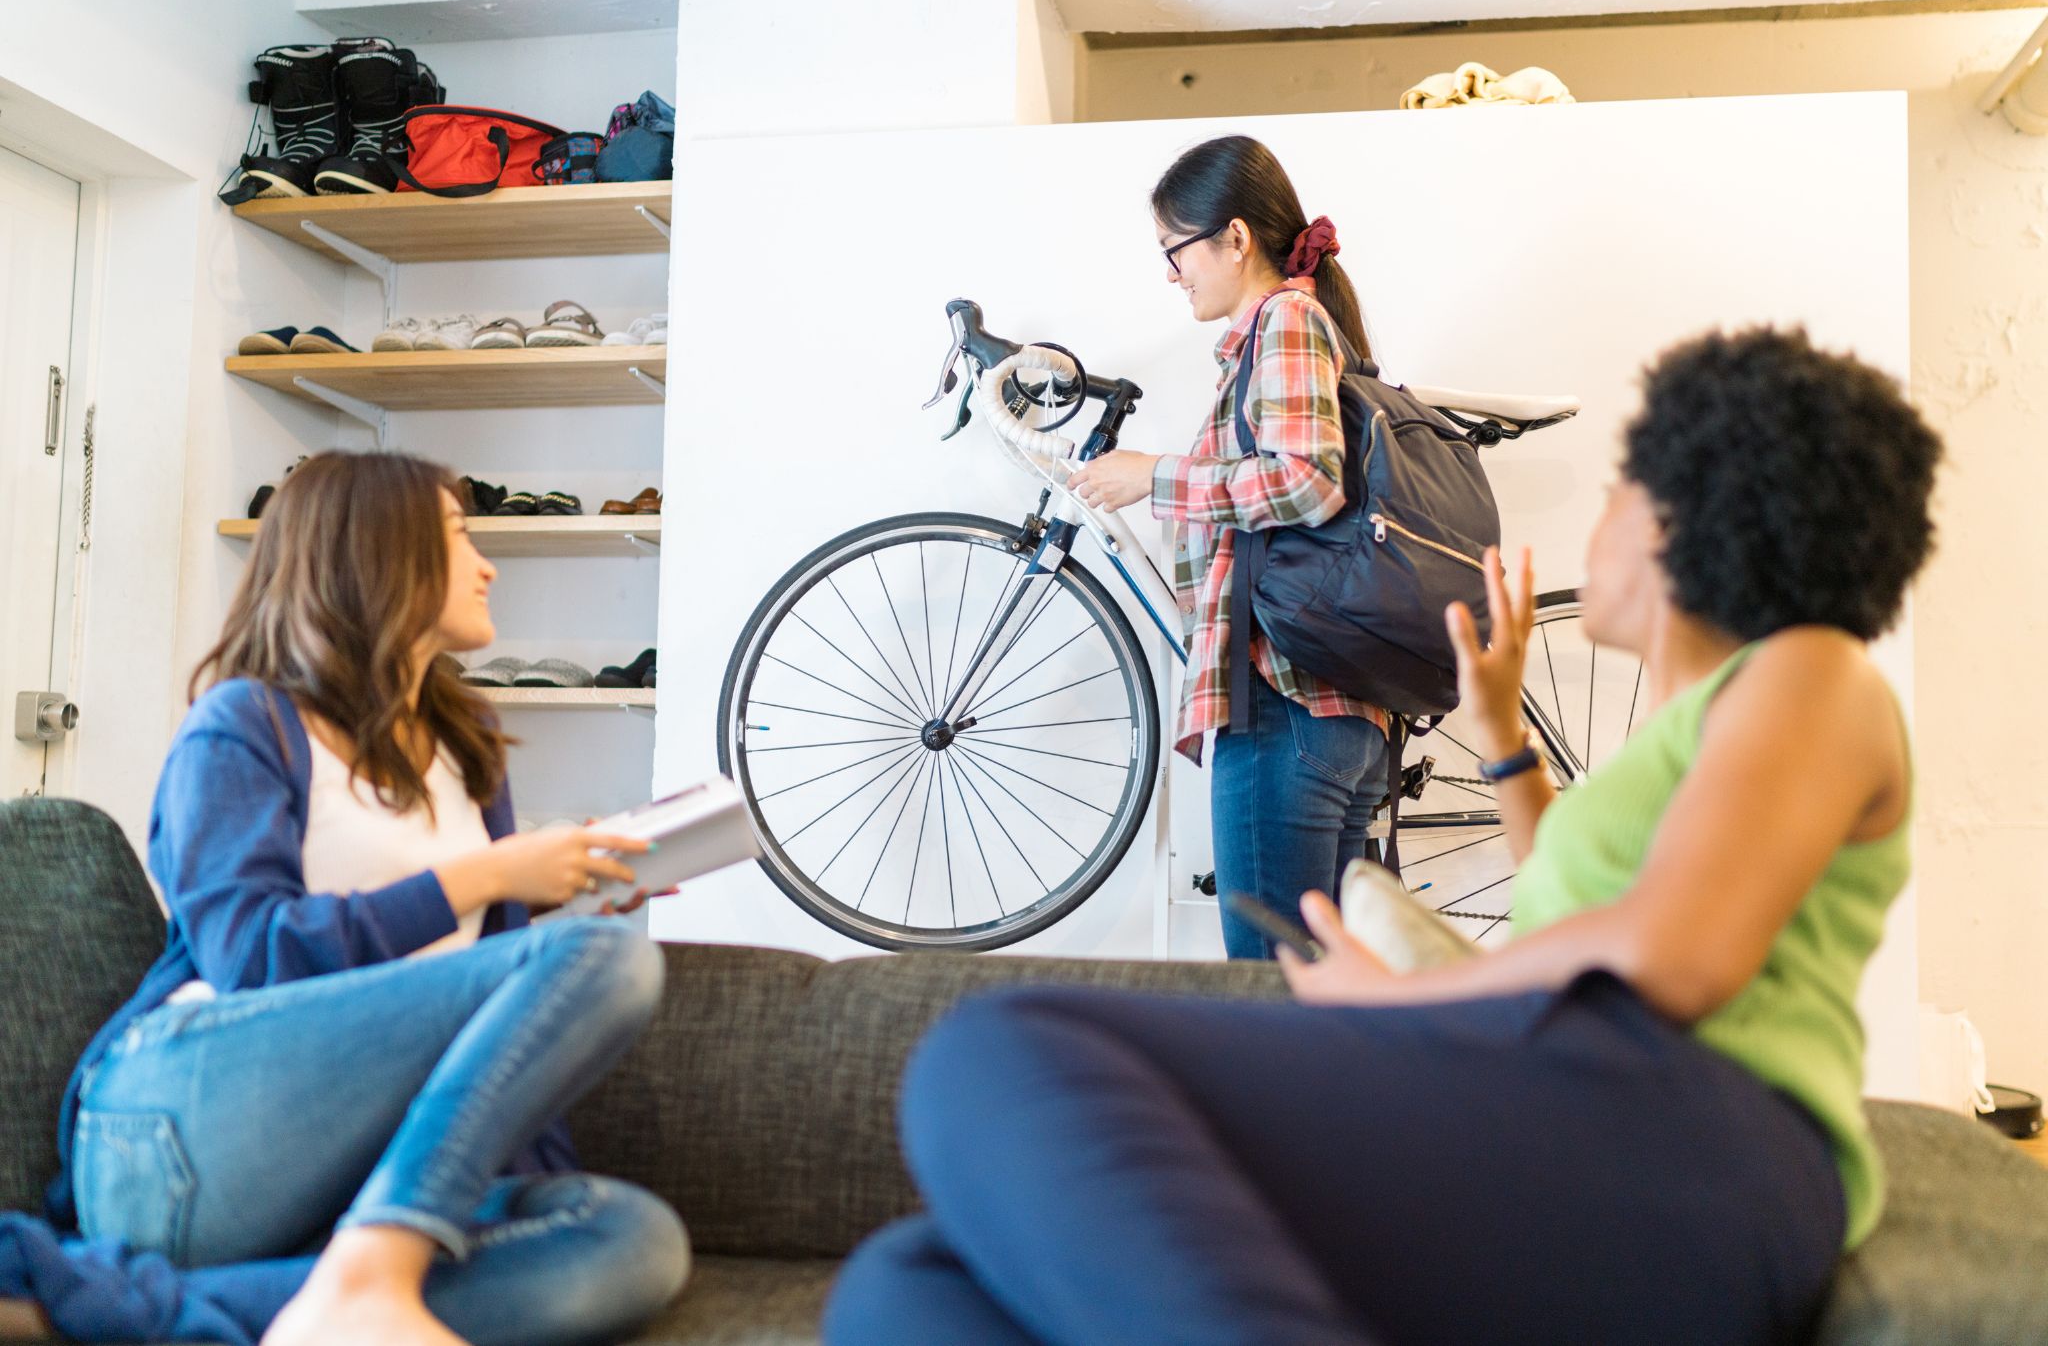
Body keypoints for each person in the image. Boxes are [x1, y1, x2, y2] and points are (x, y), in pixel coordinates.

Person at [824, 325, 1942, 1345]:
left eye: (1619, 488)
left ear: (1681, 514)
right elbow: (1592, 904)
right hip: (1571, 1114)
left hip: (1698, 1142)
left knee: (999, 1049)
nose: (1597, 513)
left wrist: (1401, 1001)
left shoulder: (1810, 671)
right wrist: (1500, 730)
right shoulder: (1697, 726)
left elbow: (1670, 954)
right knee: (910, 1290)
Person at [33, 452, 689, 1346]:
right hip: (180, 1121)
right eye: (461, 537)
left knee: (630, 1238)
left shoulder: (469, 745)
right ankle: (371, 1267)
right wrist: (495, 876)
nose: (490, 565)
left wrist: (551, 894)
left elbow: (452, 986)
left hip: (343, 1164)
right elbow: (250, 955)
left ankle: (116, 1305)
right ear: (374, 552)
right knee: (609, 959)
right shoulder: (242, 722)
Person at [1064, 134, 1390, 960]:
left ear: (1235, 239)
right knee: (1320, 998)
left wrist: (1156, 476)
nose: (1171, 273)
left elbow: (1308, 480)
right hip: (1329, 711)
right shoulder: (1294, 327)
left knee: (1268, 993)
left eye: (1177, 250)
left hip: (1281, 707)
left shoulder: (1283, 320)